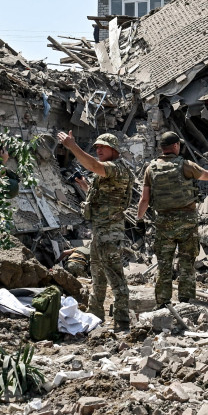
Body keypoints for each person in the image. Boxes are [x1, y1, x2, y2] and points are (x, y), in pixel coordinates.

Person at [138, 131, 208, 307]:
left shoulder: (150, 168)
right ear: (176, 146)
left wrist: (139, 218)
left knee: (164, 264)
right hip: (187, 222)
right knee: (187, 261)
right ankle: (186, 301)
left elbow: (145, 199)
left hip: (163, 222)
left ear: (162, 148)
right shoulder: (185, 165)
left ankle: (163, 302)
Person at [58, 130, 134, 331]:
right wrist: (86, 187)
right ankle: (94, 317)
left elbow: (93, 165)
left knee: (116, 278)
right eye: (97, 147)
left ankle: (122, 321)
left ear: (114, 149)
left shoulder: (116, 168)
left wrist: (72, 146)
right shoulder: (109, 171)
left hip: (110, 233)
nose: (98, 150)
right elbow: (103, 197)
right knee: (97, 277)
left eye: (102, 147)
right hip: (101, 231)